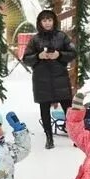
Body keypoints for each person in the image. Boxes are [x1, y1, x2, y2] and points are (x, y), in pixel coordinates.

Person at [22, 9, 75, 150]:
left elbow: (73, 53)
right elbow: (26, 58)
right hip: (41, 79)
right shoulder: (35, 39)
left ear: (54, 21)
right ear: (40, 22)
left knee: (68, 109)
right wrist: (38, 56)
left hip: (60, 78)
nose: (47, 23)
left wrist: (59, 54)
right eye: (44, 20)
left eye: (49, 20)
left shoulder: (62, 37)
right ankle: (49, 137)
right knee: (44, 108)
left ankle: (76, 136)